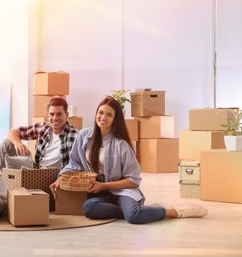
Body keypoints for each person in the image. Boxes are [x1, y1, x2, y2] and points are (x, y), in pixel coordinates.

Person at [49, 96, 208, 224]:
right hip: (99, 191)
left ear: (115, 119)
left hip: (121, 188)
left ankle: (173, 212)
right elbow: (74, 164)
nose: (103, 118)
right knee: (89, 208)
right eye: (101, 112)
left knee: (134, 217)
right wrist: (61, 178)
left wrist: (104, 185)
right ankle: (126, 210)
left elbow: (133, 180)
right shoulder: (83, 136)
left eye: (109, 115)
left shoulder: (121, 144)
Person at [0, 97, 78, 170]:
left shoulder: (75, 135)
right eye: (52, 114)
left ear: (66, 115)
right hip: (36, 170)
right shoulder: (43, 128)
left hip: (55, 176)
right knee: (7, 143)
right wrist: (18, 143)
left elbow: (77, 165)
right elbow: (13, 131)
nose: (55, 118)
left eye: (59, 114)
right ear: (47, 116)